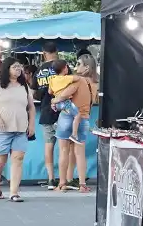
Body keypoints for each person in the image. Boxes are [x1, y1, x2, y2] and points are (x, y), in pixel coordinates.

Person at [0, 57, 36, 202]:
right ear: (7, 69)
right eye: (15, 67)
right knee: (0, 160)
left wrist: (31, 125)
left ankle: (14, 192)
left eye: (20, 67)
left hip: (20, 129)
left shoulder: (24, 86)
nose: (18, 69)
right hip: (1, 129)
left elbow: (31, 107)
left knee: (18, 159)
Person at [50, 54, 98, 193]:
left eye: (79, 64)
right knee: (80, 154)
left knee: (64, 151)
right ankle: (82, 184)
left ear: (86, 67)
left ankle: (62, 183)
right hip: (84, 118)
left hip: (67, 117)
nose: (76, 67)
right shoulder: (95, 83)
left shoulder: (78, 81)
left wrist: (54, 101)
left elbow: (63, 96)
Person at [34, 42, 60, 190]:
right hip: (63, 111)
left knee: (48, 145)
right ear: (56, 51)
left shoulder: (39, 70)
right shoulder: (63, 67)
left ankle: (51, 179)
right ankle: (65, 178)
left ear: (44, 53)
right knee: (65, 146)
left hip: (45, 110)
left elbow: (34, 92)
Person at [48, 60, 91, 145]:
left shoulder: (52, 80)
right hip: (65, 102)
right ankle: (74, 135)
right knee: (77, 115)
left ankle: (58, 123)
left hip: (58, 104)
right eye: (67, 67)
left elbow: (50, 92)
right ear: (64, 68)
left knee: (66, 113)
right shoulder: (66, 78)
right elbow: (78, 78)